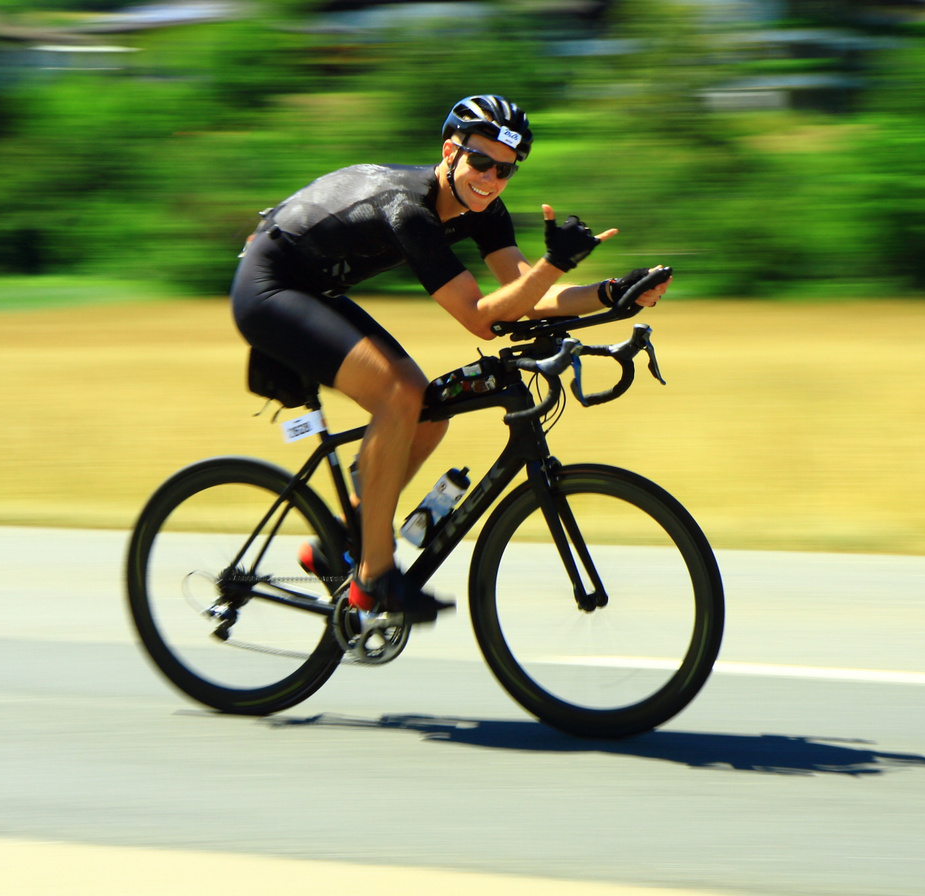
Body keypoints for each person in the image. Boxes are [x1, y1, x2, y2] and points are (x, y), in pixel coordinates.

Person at [230, 95, 669, 622]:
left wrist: (613, 291)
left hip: (315, 287)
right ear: (451, 151)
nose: (492, 178)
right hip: (269, 287)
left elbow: (523, 293)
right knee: (399, 395)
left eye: (505, 170)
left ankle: (343, 539)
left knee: (428, 413)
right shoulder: (409, 209)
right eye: (481, 162)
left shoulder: (483, 209)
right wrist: (555, 262)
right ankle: (373, 579)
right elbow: (482, 318)